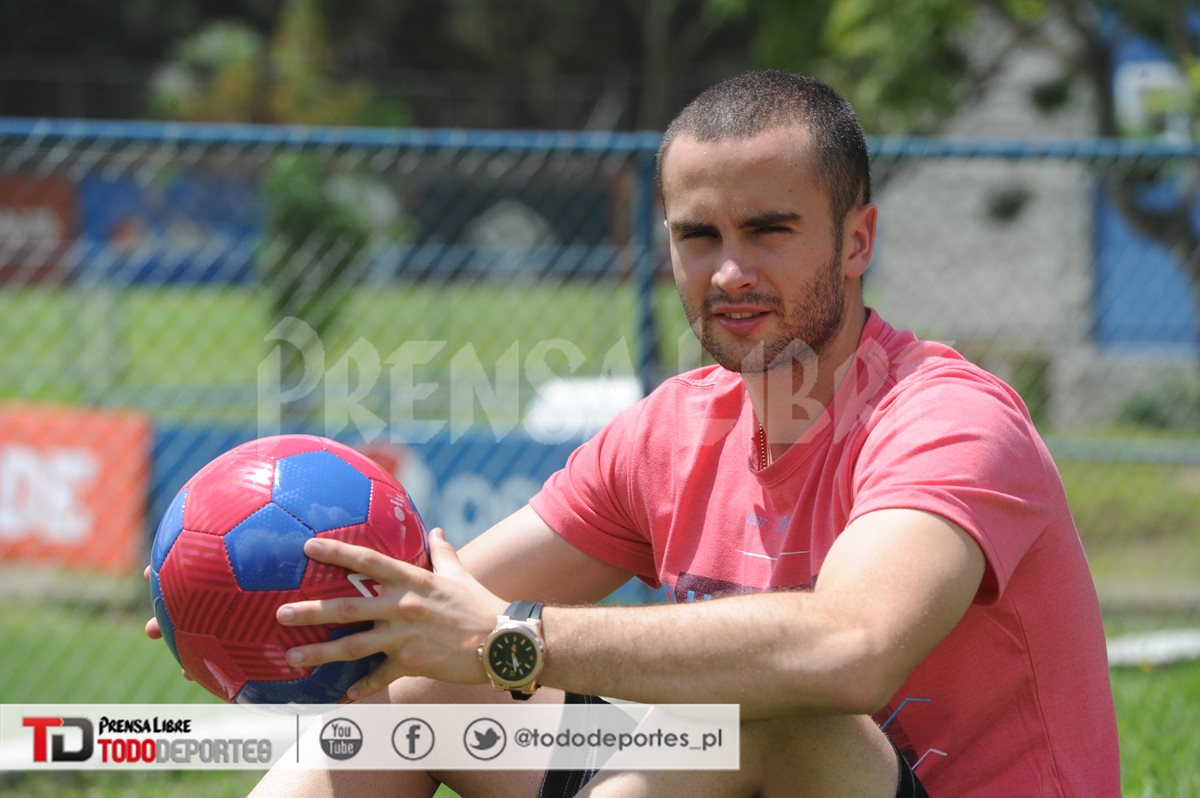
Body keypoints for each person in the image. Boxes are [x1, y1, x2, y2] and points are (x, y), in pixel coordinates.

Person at [149, 70, 1120, 797]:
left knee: (777, 713)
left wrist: (508, 638)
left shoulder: (948, 420)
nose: (729, 270)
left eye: (769, 230)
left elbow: (851, 649)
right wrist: (271, 623)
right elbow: (446, 616)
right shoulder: (669, 431)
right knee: (419, 701)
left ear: (856, 239)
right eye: (699, 237)